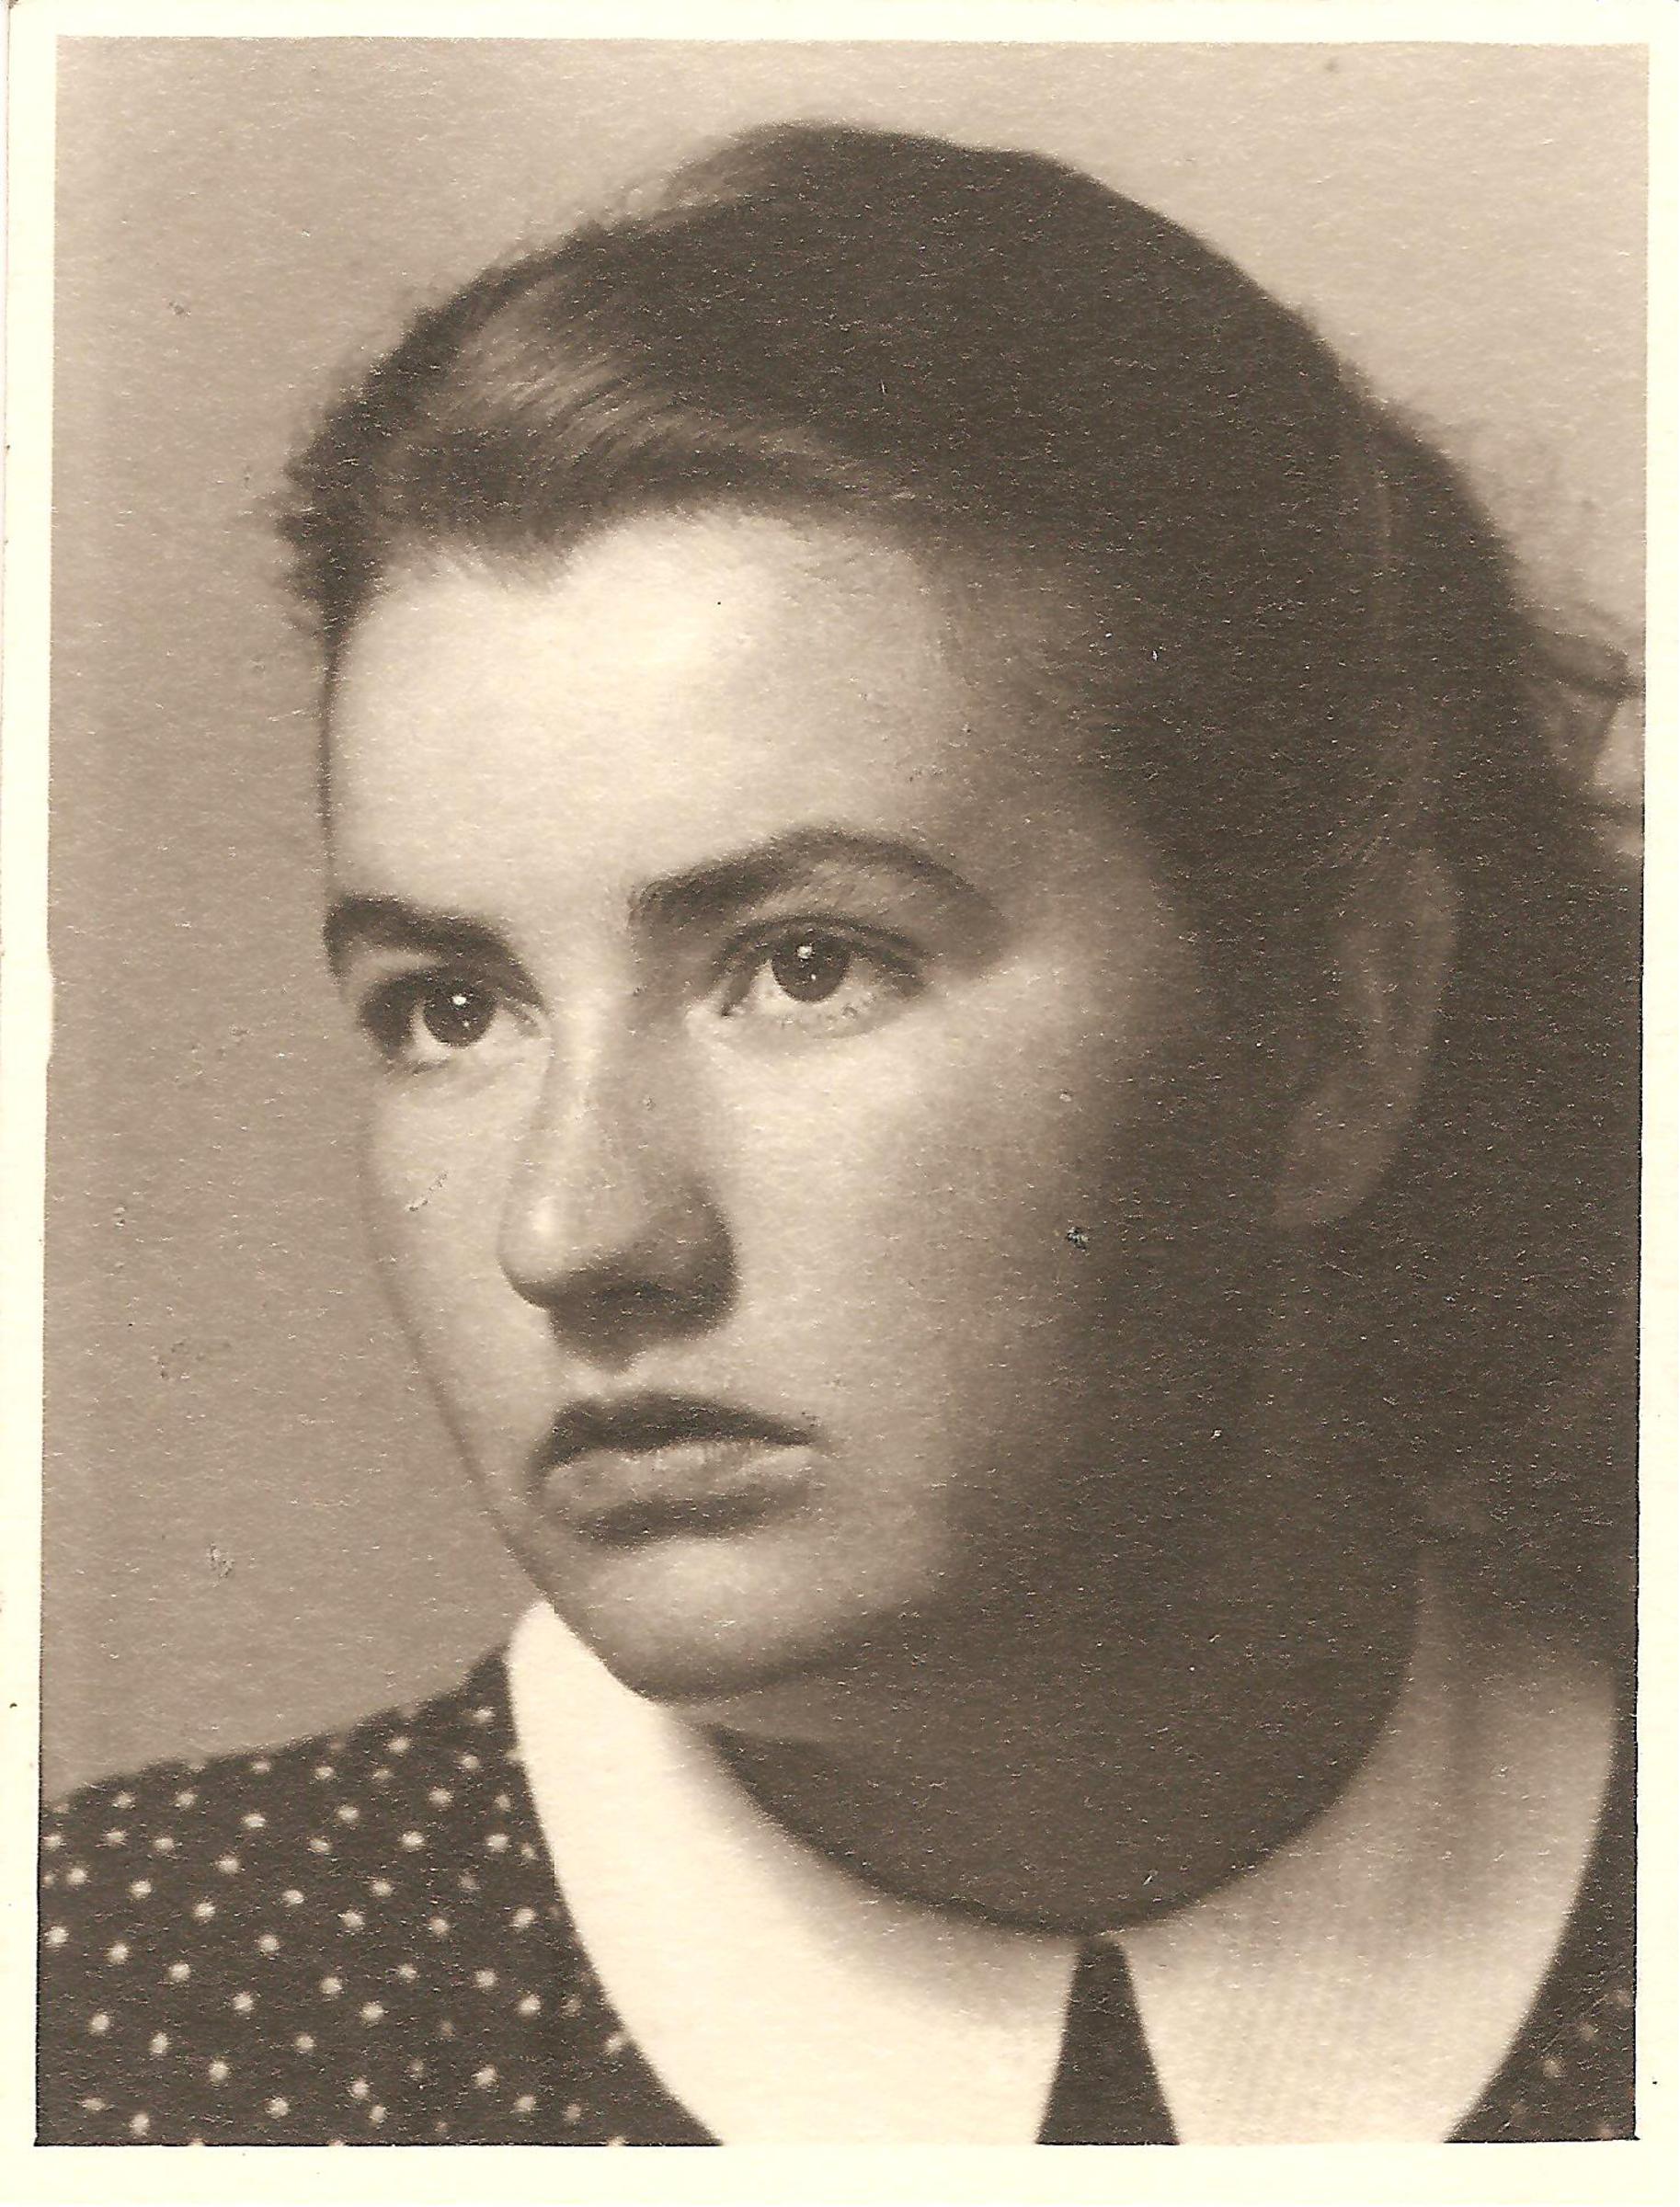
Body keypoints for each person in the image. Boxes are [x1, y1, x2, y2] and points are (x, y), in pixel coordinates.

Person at [38, 120, 1639, 2146]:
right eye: (451, 1009)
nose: (570, 1229)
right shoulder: (110, 2014)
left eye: (806, 963)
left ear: (1335, 1032)